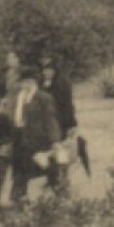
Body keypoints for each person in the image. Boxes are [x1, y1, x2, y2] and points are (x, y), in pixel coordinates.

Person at [8, 72, 61, 198]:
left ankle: (56, 190)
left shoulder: (43, 97)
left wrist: (55, 140)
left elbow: (50, 119)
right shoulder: (18, 97)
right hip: (19, 138)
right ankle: (19, 196)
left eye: (27, 82)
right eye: (22, 82)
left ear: (34, 82)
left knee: (45, 166)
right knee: (19, 167)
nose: (24, 85)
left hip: (38, 139)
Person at [40, 59, 77, 194]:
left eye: (50, 70)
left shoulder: (62, 84)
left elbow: (68, 105)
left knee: (62, 150)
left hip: (61, 122)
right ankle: (51, 178)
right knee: (48, 151)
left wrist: (71, 124)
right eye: (45, 70)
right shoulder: (41, 84)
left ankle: (64, 179)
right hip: (46, 124)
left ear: (55, 71)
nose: (47, 73)